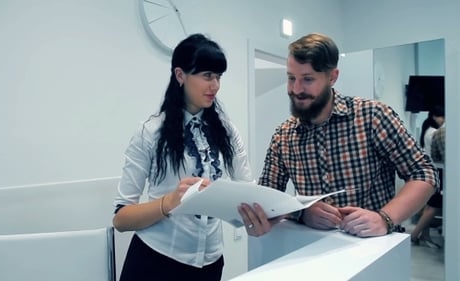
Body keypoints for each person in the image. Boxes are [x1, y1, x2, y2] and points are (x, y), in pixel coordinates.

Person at [238, 32, 439, 238]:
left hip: (374, 250)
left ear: (332, 77)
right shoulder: (284, 135)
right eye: (291, 78)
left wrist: (384, 218)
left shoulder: (372, 117)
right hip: (313, 251)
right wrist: (302, 212)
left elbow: (424, 174)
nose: (296, 89)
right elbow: (268, 198)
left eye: (308, 79)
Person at [112, 33, 253, 281]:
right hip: (155, 263)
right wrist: (169, 202)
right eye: (207, 75)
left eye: (218, 77)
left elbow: (247, 191)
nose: (216, 85)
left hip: (210, 265)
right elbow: (121, 219)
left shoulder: (227, 132)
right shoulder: (150, 132)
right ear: (180, 75)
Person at [410, 124, 445, 248]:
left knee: (430, 206)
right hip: (439, 171)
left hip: (435, 170)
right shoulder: (439, 132)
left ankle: (423, 235)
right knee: (433, 207)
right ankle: (415, 234)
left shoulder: (431, 131)